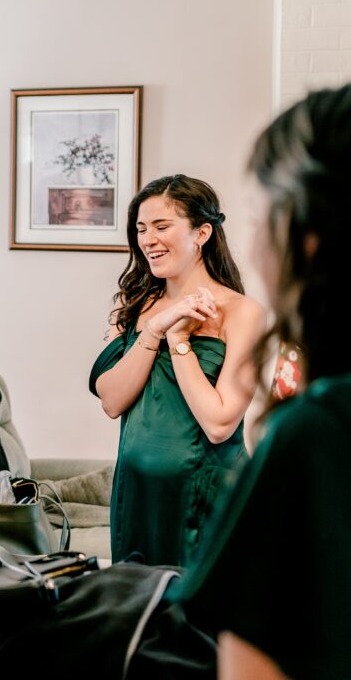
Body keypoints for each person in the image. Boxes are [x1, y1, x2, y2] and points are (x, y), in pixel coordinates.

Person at [179, 84, 351, 679]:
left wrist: (176, 343)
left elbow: (228, 419)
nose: (253, 244)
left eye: (262, 219)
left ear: (307, 236)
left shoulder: (318, 429)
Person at [89, 174, 265, 566]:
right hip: (136, 495)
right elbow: (112, 400)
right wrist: (154, 328)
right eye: (140, 229)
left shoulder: (242, 313)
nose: (147, 239)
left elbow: (219, 424)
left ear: (202, 232)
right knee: (139, 616)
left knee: (201, 619)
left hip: (205, 494)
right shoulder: (135, 307)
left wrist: (179, 340)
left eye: (161, 226)